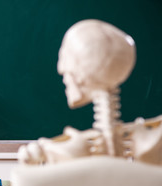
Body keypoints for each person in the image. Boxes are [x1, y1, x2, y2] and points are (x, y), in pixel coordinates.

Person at [18, 19, 162, 165]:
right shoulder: (153, 139)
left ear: (82, 75)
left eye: (66, 60)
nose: (60, 70)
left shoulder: (54, 151)